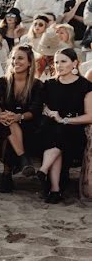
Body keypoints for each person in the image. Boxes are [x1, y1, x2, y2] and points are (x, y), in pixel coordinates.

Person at [36, 48, 92, 203]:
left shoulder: (85, 86)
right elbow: (41, 106)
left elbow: (90, 116)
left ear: (74, 63)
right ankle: (54, 188)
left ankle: (46, 174)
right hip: (50, 129)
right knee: (56, 133)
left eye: (63, 61)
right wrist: (49, 112)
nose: (59, 65)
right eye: (56, 62)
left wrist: (64, 120)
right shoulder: (49, 84)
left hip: (74, 129)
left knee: (60, 133)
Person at [0, 44, 43, 193]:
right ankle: (23, 159)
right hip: (1, 122)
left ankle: (7, 176)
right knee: (9, 124)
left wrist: (19, 116)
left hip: (27, 124)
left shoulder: (37, 85)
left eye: (20, 58)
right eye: (13, 58)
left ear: (29, 62)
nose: (16, 61)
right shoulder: (3, 81)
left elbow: (35, 111)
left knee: (12, 126)